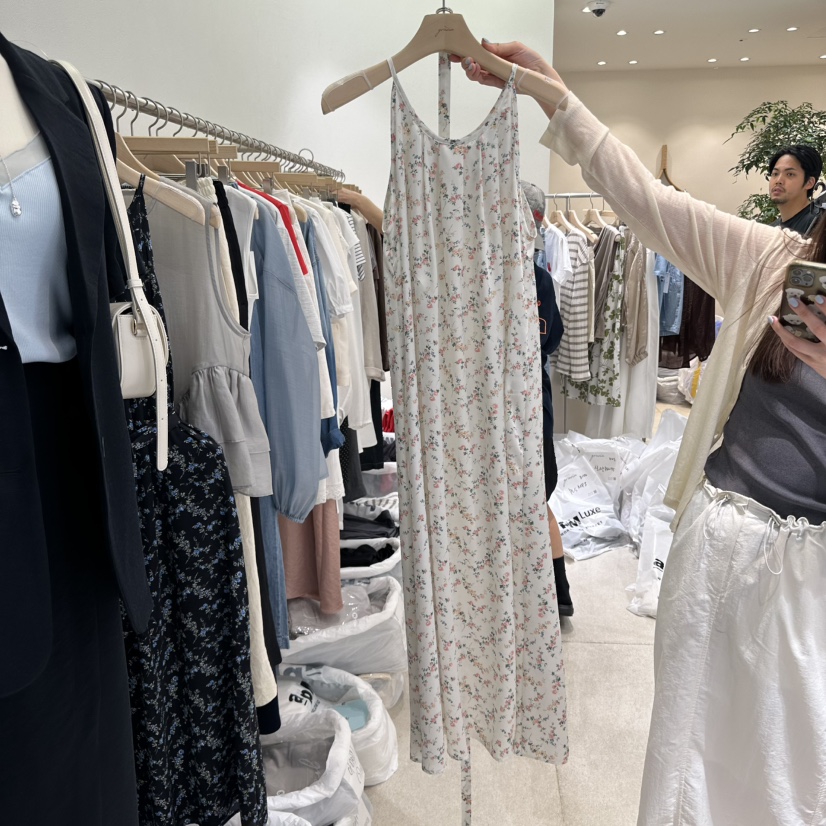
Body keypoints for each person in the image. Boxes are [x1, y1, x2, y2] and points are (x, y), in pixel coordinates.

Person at [459, 40, 826, 826]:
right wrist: (556, 95)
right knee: (685, 769)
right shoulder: (774, 261)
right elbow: (646, 201)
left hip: (812, 592)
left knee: (792, 786)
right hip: (716, 550)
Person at [337, 182, 576, 616]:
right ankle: (555, 596)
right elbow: (551, 339)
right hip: (525, 408)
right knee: (533, 501)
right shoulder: (534, 278)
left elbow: (410, 246)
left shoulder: (470, 271)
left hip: (489, 410)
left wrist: (361, 204)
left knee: (510, 503)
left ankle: (532, 596)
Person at [767, 144, 825, 236]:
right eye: (775, 174)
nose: (778, 181)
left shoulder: (820, 223)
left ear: (809, 183)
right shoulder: (771, 230)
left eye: (790, 174)